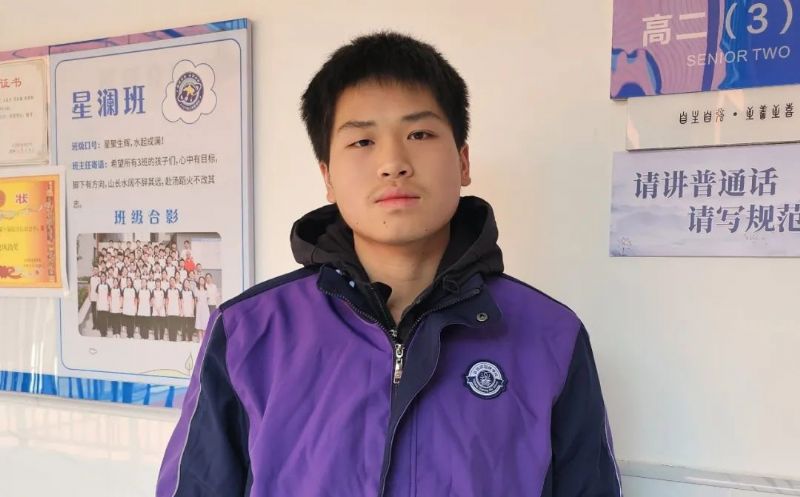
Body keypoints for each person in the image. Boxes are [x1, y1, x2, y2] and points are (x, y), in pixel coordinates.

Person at [158, 32, 621, 497]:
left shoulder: (550, 335)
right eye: (362, 141)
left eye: (419, 134)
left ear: (463, 161)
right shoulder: (248, 332)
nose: (393, 163)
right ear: (328, 177)